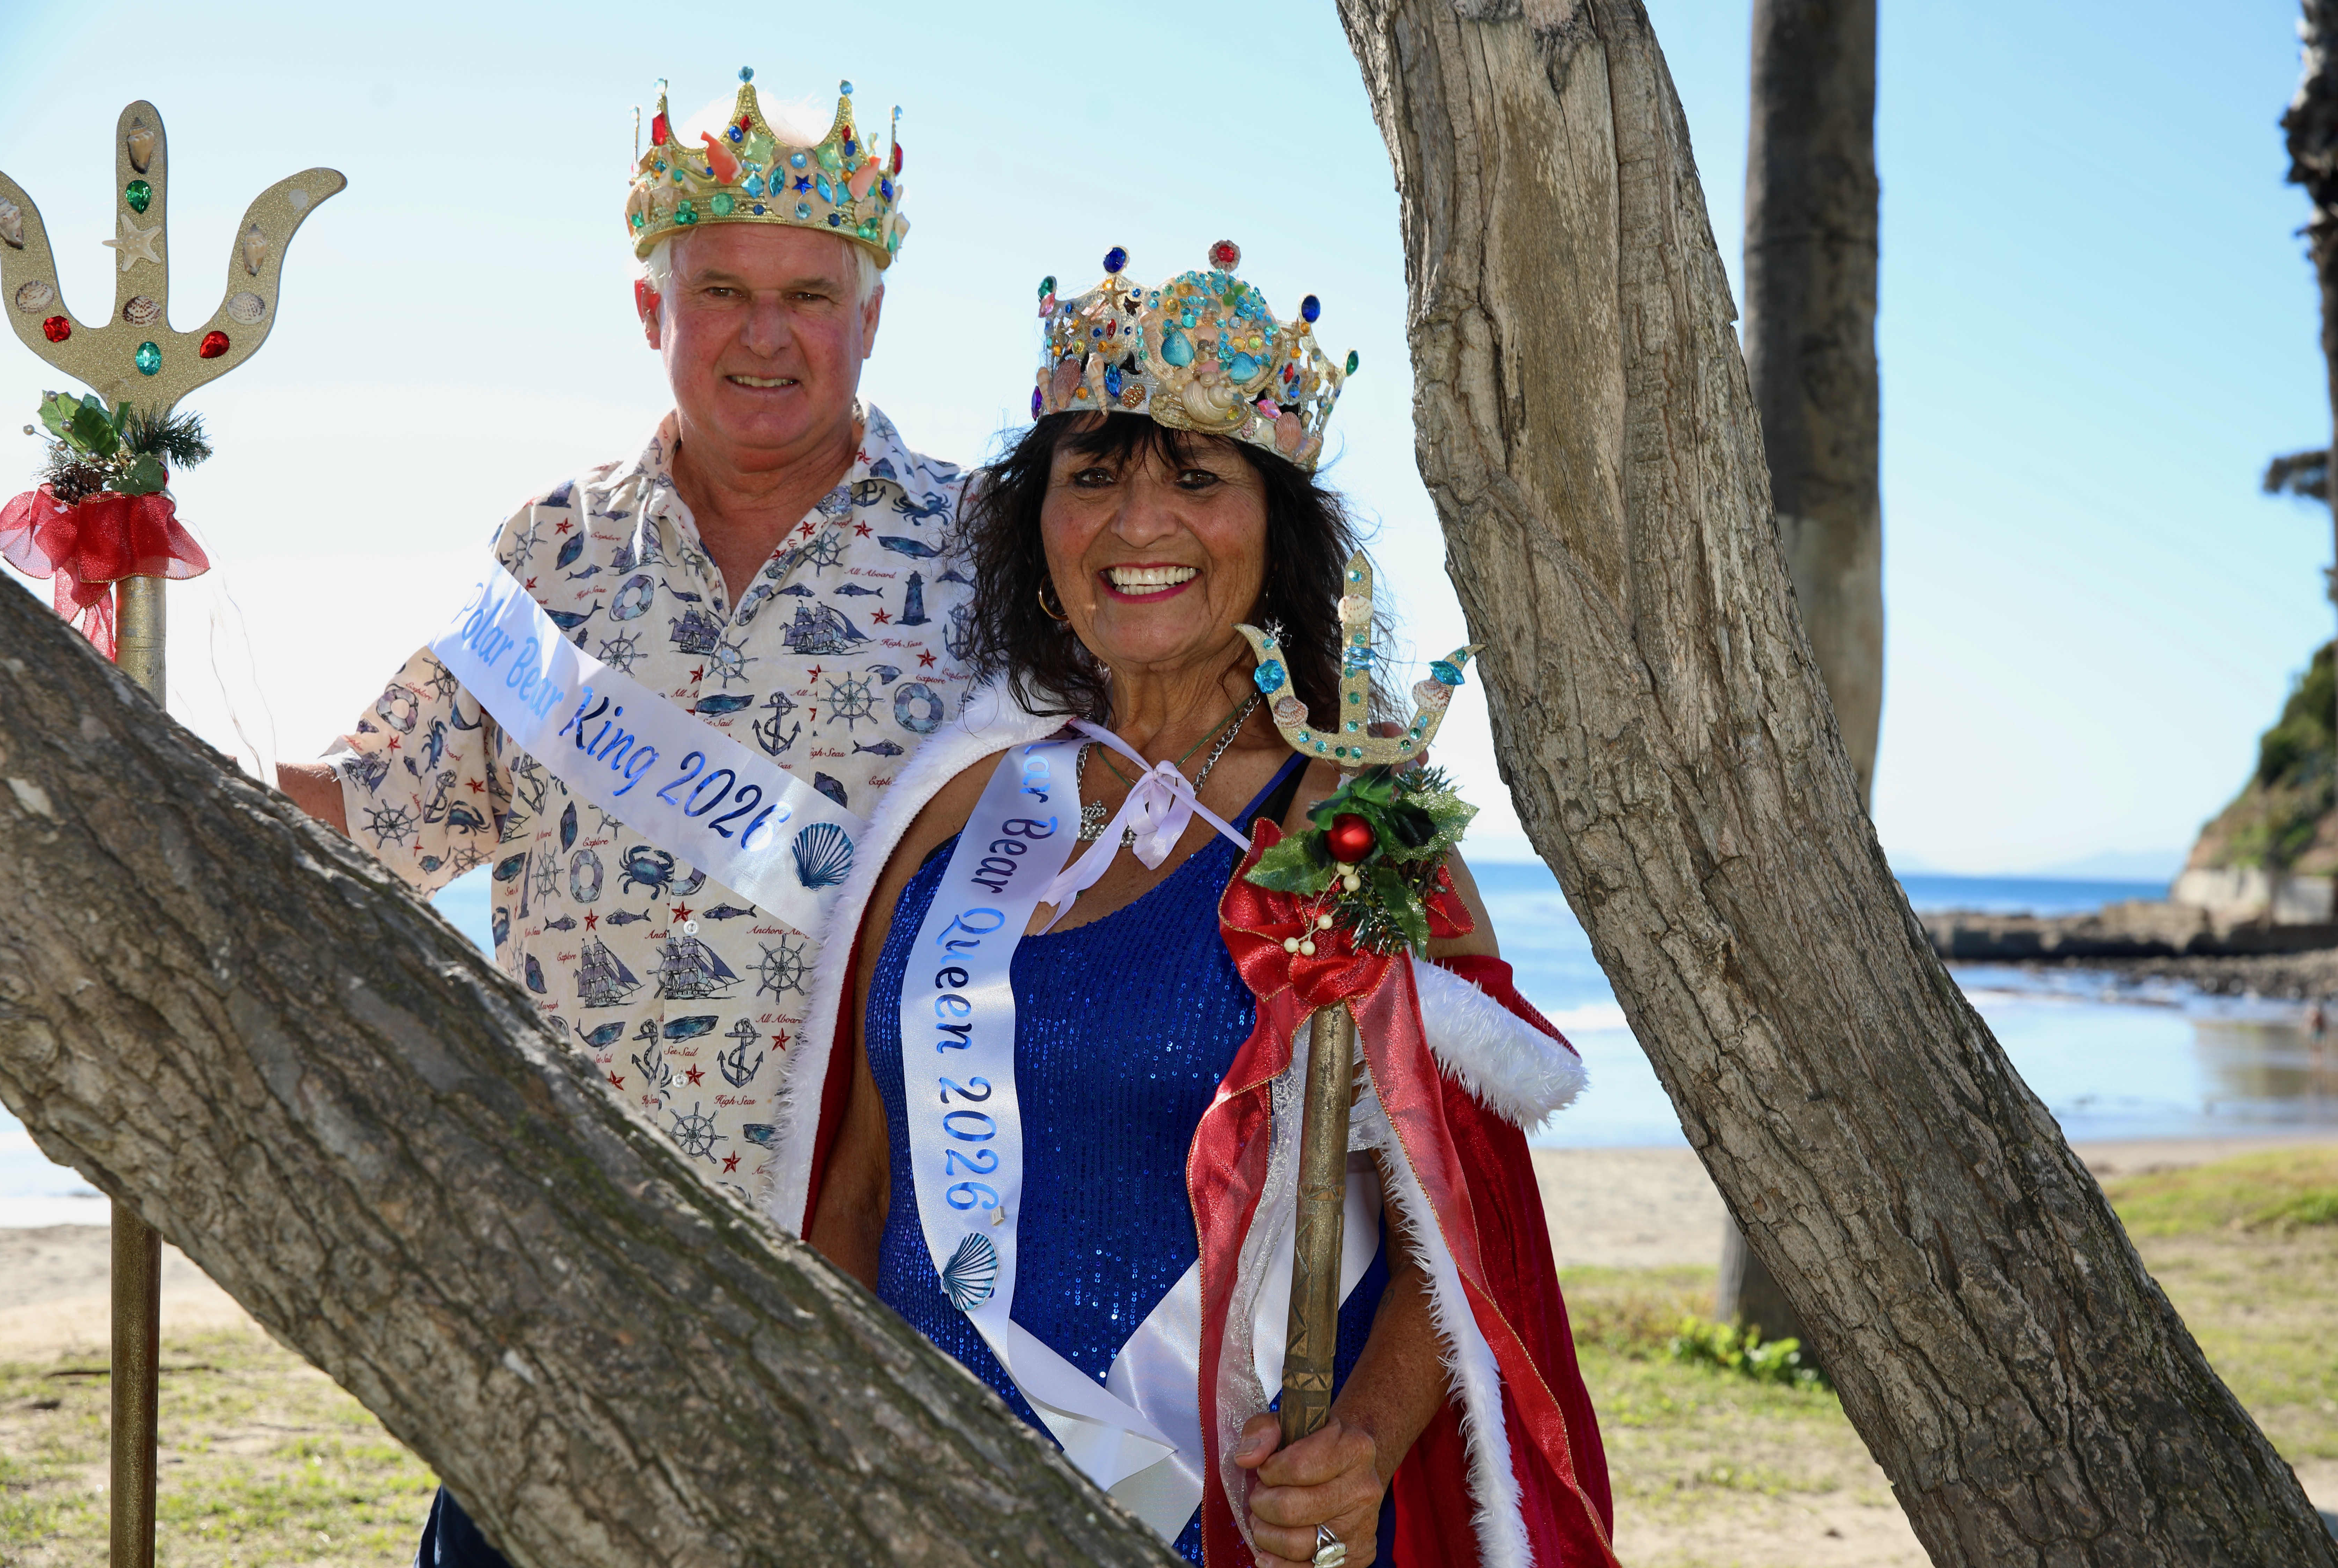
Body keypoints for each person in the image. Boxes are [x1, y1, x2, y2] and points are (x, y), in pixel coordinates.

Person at [778, 247, 1619, 1567]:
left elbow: (1458, 1237)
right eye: (1094, 475)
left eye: (1198, 476)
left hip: (1209, 1521)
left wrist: (1362, 1449)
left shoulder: (1354, 827)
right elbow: (866, 1182)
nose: (1139, 524)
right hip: (913, 1508)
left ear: (1276, 529)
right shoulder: (957, 805)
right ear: (1037, 520)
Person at [274, 69, 972, 1568]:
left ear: (872, 316)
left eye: (809, 294)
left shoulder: (989, 561)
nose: (766, 334)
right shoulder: (550, 547)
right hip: (567, 1272)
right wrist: (118, 721)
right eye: (720, 288)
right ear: (652, 310)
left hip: (870, 1295)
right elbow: (375, 809)